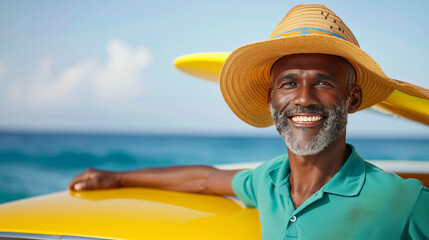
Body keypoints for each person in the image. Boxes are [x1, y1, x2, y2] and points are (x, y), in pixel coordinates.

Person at [69, 4, 429, 239]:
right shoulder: (268, 180)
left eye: (322, 81)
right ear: (271, 99)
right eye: (288, 83)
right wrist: (116, 177)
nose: (303, 98)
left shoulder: (406, 201)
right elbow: (203, 179)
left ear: (352, 100)